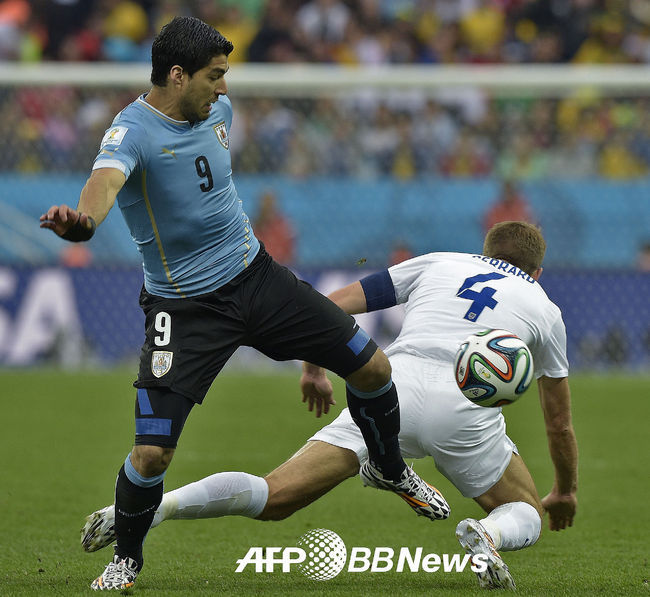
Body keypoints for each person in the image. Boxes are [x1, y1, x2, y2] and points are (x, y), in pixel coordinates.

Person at [40, 17, 447, 592]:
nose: (224, 88)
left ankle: (388, 467)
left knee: (374, 369)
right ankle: (127, 559)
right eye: (214, 76)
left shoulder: (219, 112)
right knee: (152, 454)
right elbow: (103, 186)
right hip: (184, 309)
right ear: (177, 76)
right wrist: (82, 224)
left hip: (258, 279)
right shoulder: (131, 133)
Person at [82, 221, 579, 590]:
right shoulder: (544, 308)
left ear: (485, 251)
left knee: (275, 497)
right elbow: (558, 424)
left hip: (392, 390)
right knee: (525, 511)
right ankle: (487, 536)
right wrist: (565, 490)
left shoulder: (441, 262)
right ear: (536, 271)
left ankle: (156, 508)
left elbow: (331, 306)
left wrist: (314, 367)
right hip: (464, 410)